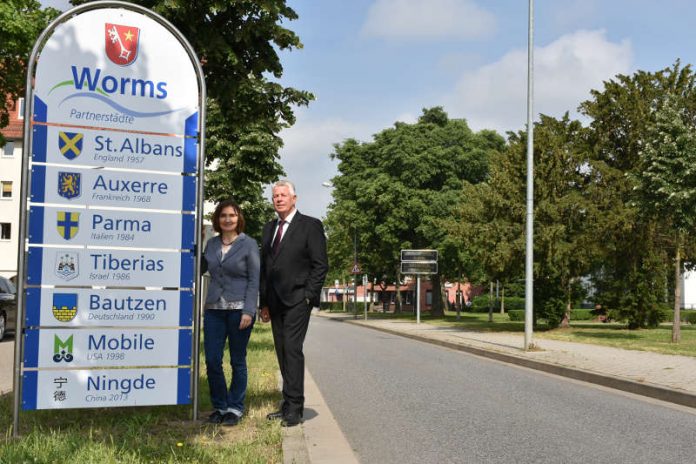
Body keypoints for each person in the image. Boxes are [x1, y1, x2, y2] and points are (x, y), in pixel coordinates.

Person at [259, 180, 328, 427]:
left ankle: (295, 409)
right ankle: (287, 403)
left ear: (294, 198)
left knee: (292, 348)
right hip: (275, 302)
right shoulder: (268, 229)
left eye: (283, 195)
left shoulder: (310, 226)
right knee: (281, 350)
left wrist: (309, 295)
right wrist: (263, 302)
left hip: (298, 299)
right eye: (275, 196)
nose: (278, 199)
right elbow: (265, 269)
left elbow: (320, 264)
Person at [201, 199, 260, 426]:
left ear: (238, 219)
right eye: (223, 215)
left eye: (232, 215)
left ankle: (234, 408)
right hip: (214, 309)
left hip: (239, 311)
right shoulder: (212, 244)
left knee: (237, 361)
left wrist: (249, 310)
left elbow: (254, 279)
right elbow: (201, 268)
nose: (228, 219)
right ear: (217, 219)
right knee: (213, 360)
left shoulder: (248, 244)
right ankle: (220, 405)